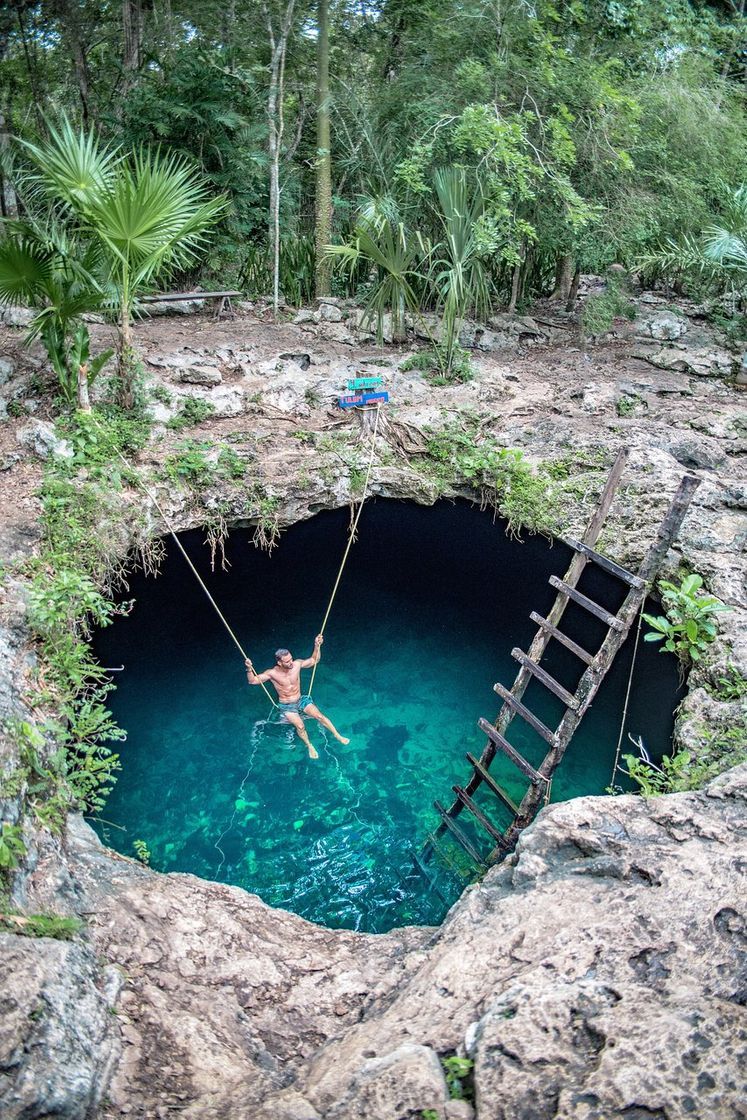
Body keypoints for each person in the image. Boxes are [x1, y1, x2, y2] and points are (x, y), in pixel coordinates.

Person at [245, 635, 350, 760]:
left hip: (301, 700)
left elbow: (314, 660)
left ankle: (338, 736)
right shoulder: (272, 673)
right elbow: (252, 681)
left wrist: (317, 646)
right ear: (279, 662)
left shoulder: (296, 664)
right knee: (300, 726)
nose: (291, 662)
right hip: (287, 706)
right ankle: (309, 745)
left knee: (319, 716)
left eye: (291, 659)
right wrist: (248, 668)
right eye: (287, 661)